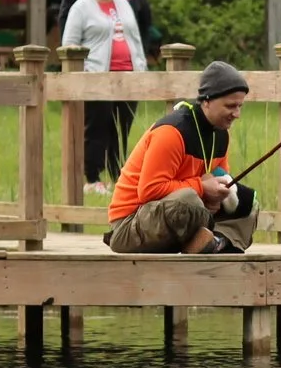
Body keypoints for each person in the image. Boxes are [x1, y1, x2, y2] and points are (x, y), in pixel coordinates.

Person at [105, 61, 261, 254]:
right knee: (188, 201)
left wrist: (217, 196)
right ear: (207, 100)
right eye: (230, 106)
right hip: (129, 225)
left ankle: (218, 242)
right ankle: (205, 241)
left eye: (240, 106)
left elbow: (216, 179)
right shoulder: (171, 132)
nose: (237, 114)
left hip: (180, 217)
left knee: (247, 201)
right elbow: (149, 190)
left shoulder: (221, 135)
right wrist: (202, 188)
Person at [62, 0, 148, 191]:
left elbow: (135, 38)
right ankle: (91, 178)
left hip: (128, 77)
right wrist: (83, 72)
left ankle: (118, 177)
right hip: (98, 77)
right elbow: (69, 44)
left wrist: (141, 68)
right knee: (98, 128)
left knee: (121, 129)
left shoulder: (123, 4)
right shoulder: (82, 7)